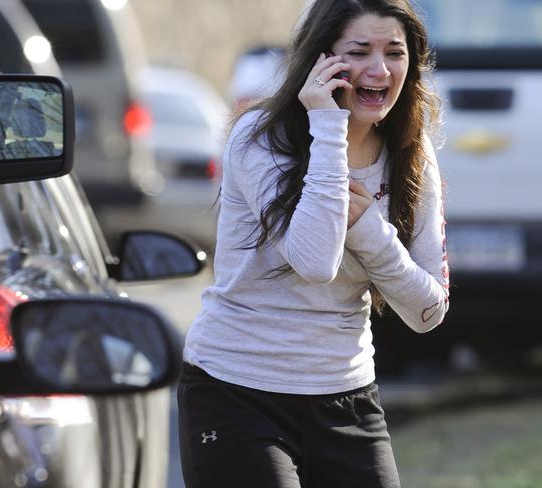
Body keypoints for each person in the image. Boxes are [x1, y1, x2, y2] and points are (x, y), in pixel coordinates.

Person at [178, 0, 449, 486]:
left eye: (394, 52)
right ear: (321, 61)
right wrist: (328, 126)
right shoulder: (258, 140)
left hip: (347, 397)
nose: (379, 68)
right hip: (236, 391)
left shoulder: (412, 154)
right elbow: (314, 261)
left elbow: (428, 311)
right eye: (359, 50)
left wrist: (370, 232)